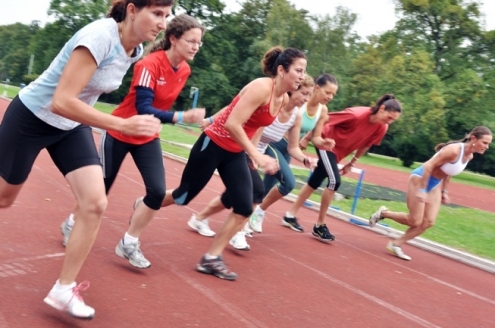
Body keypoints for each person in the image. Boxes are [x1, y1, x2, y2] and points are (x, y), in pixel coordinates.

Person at [0, 0, 174, 319]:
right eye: (158, 13)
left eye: (167, 15)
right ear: (133, 10)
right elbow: (61, 100)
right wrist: (121, 124)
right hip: (33, 118)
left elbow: (78, 103)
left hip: (70, 126)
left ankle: (63, 289)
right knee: (4, 198)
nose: (164, 23)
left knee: (95, 203)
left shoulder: (134, 51)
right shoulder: (99, 37)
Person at [60, 14, 206, 270]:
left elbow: (158, 108)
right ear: (173, 38)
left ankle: (129, 242)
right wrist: (182, 116)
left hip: (148, 135)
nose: (196, 46)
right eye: (191, 41)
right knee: (100, 189)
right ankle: (71, 222)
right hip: (119, 131)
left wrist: (175, 117)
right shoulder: (148, 64)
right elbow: (143, 106)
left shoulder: (184, 69)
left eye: (199, 43)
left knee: (158, 191)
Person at [154, 46, 307, 280]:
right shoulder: (261, 87)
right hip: (213, 143)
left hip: (235, 153)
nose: (302, 76)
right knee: (183, 195)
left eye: (304, 71)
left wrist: (251, 156)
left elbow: (258, 125)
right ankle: (147, 204)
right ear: (281, 70)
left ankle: (211, 259)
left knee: (245, 207)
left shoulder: (283, 98)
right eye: (299, 70)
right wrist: (255, 155)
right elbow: (233, 123)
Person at [187, 75, 317, 250]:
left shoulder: (296, 116)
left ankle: (199, 219)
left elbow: (293, 147)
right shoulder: (273, 100)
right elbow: (236, 110)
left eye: (310, 95)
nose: (306, 99)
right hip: (244, 148)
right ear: (293, 89)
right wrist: (211, 120)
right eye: (304, 93)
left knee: (234, 196)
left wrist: (305, 159)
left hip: (257, 152)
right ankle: (236, 233)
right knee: (256, 191)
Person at [283, 94, 403, 243]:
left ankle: (290, 215)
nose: (390, 122)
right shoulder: (356, 114)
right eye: (389, 117)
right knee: (335, 181)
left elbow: (366, 144)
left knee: (315, 181)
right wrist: (307, 138)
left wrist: (351, 163)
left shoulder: (382, 127)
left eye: (393, 120)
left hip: (338, 154)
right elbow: (324, 119)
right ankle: (319, 225)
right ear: (382, 108)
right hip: (325, 144)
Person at [369, 126, 492, 261]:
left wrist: (444, 191)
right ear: (474, 138)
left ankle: (396, 244)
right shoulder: (454, 151)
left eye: (488, 144)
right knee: (415, 221)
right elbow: (428, 165)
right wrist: (422, 189)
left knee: (428, 222)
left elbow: (449, 172)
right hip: (420, 179)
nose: (487, 147)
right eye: (485, 143)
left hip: (435, 184)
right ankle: (383, 213)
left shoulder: (469, 156)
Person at [249, 73, 337, 233]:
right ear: (317, 88)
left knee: (266, 187)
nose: (330, 97)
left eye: (333, 94)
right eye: (327, 92)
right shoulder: (296, 99)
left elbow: (315, 137)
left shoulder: (322, 111)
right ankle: (256, 212)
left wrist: (323, 142)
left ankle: (249, 215)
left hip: (290, 148)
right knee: (288, 183)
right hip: (274, 143)